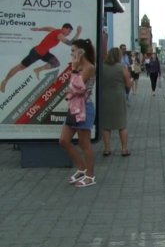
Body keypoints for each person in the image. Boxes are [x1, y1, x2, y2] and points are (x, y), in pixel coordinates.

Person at [0, 23, 82, 93]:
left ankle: (38, 69)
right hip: (36, 53)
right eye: (69, 31)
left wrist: (39, 29)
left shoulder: (55, 30)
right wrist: (78, 33)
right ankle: (5, 81)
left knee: (55, 63)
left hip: (44, 53)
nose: (69, 33)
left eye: (70, 32)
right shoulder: (59, 34)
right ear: (64, 28)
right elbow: (69, 43)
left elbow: (48, 28)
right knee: (20, 67)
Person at [59, 38, 96, 188]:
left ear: (81, 52)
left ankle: (90, 175)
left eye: (74, 51)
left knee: (84, 143)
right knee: (63, 140)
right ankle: (81, 167)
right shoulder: (78, 67)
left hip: (84, 108)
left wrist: (74, 69)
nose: (71, 54)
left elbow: (76, 87)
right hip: (74, 107)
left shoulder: (89, 67)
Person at [100, 47, 132, 157]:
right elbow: (128, 84)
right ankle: (124, 149)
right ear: (119, 56)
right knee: (121, 124)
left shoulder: (102, 67)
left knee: (106, 125)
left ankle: (107, 149)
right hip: (118, 97)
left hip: (105, 97)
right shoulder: (122, 67)